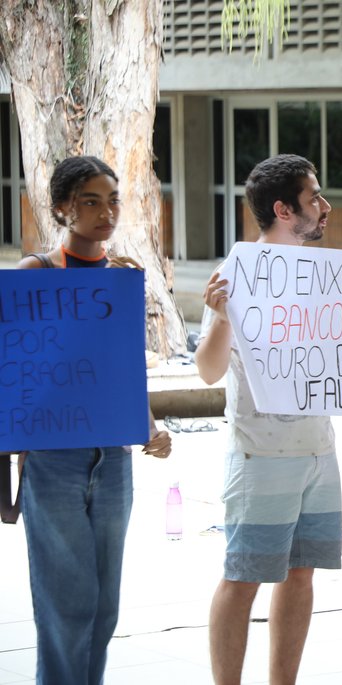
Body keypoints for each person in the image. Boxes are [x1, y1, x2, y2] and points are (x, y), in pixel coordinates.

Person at [195, 154, 342, 685]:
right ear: (284, 209)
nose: (325, 207)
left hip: (319, 451)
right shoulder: (238, 272)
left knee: (301, 573)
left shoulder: (325, 272)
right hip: (260, 453)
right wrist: (221, 317)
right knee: (243, 576)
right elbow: (206, 370)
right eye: (315, 198)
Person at [16, 155, 172, 685]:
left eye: (112, 200)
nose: (106, 212)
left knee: (104, 607)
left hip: (114, 461)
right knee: (67, 605)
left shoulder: (122, 280)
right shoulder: (35, 274)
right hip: (54, 460)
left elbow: (121, 370)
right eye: (90, 201)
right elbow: (13, 371)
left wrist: (148, 427)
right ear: (63, 208)